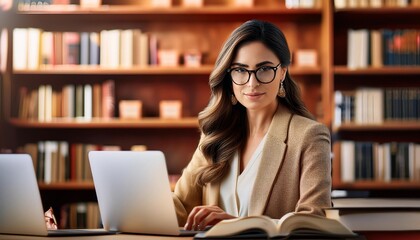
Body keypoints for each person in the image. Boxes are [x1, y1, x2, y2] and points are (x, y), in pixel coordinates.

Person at [172, 19, 332, 231]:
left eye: (264, 69)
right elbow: (181, 206)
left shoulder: (309, 136)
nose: (252, 82)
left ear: (283, 72)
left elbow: (314, 222)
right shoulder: (216, 134)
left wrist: (238, 225)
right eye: (240, 70)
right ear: (229, 75)